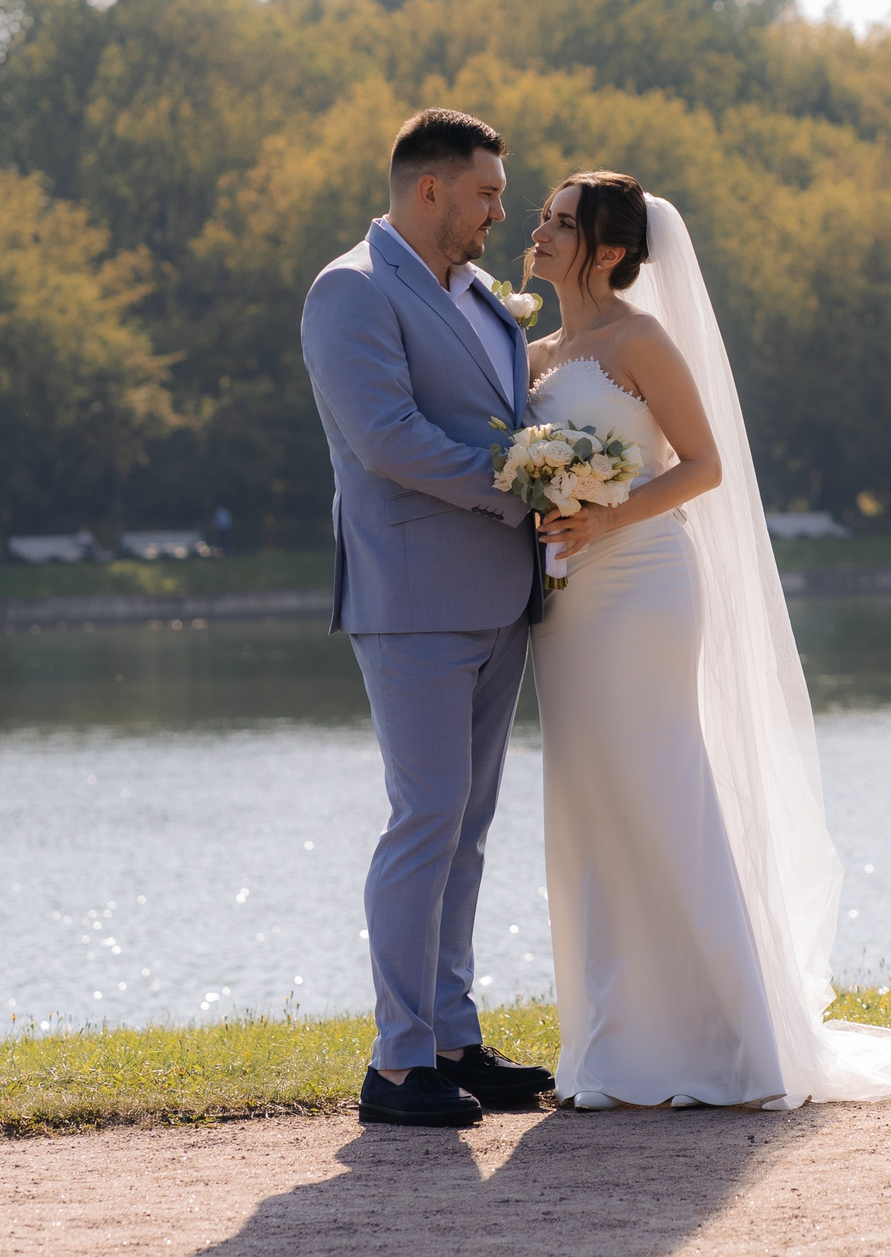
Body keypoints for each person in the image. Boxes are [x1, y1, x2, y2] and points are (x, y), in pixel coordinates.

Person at [524, 172, 891, 1109]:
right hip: (569, 606)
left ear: (611, 250)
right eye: (541, 214)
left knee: (666, 792)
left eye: (561, 221)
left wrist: (606, 516)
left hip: (644, 585)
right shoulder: (532, 352)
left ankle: (736, 1039)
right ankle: (621, 1044)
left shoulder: (639, 341)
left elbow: (704, 465)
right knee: (589, 805)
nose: (537, 231)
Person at [300, 108, 556, 1129]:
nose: (502, 210)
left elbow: (507, 411)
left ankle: (452, 1038)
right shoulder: (349, 292)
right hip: (410, 598)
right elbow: (388, 440)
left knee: (467, 827)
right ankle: (398, 1064)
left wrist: (559, 463)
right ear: (430, 188)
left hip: (500, 595)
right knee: (424, 820)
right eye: (488, 192)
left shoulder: (484, 297)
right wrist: (522, 489)